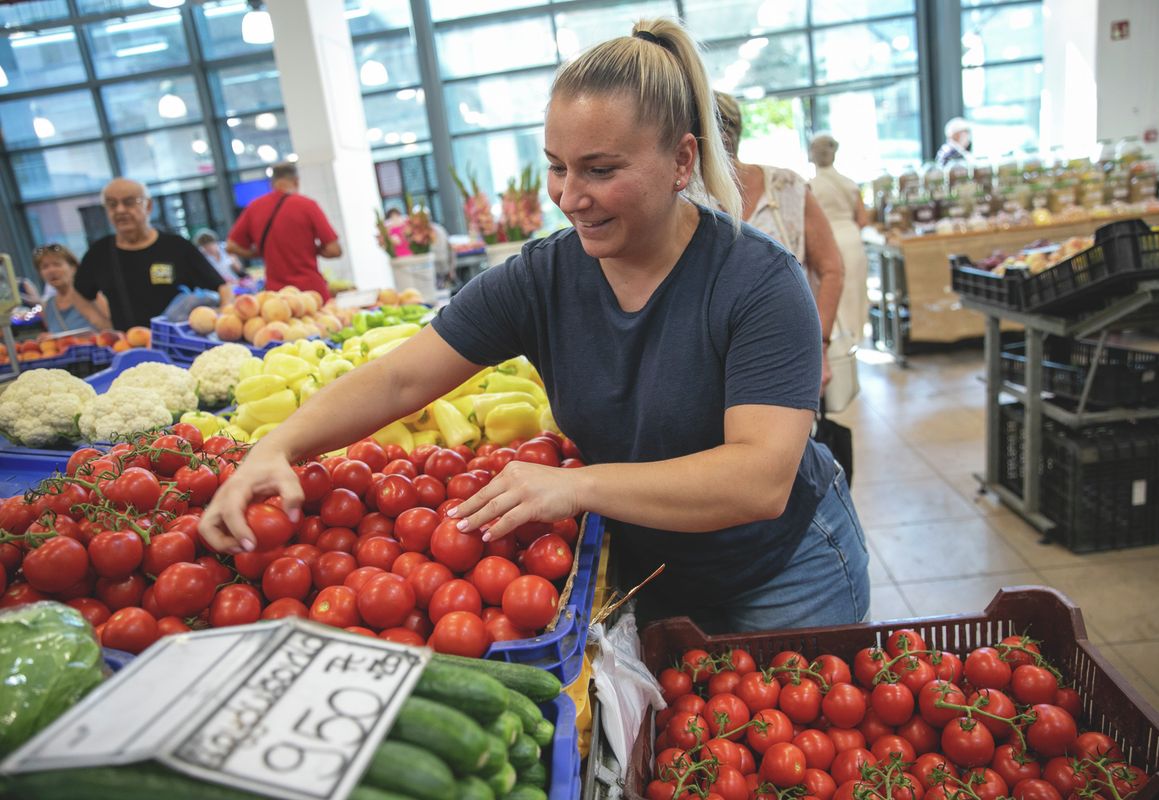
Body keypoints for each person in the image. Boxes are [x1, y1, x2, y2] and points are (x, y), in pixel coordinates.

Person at [198, 18, 869, 633]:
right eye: (557, 166)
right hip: (652, 568)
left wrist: (576, 486)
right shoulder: (544, 278)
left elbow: (758, 479)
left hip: (786, 573)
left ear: (682, 162)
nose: (570, 197)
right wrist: (277, 448)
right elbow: (401, 377)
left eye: (601, 171)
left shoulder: (757, 280)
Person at [713, 91, 845, 387]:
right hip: (714, 363)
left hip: (788, 350)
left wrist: (819, 346)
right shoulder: (684, 198)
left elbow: (831, 268)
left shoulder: (787, 186)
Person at [76, 178, 230, 330]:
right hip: (129, 348)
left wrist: (223, 320)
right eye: (112, 204)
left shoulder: (176, 246)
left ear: (148, 205)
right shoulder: (100, 253)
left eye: (129, 202)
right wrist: (103, 325)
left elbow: (222, 287)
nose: (120, 210)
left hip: (175, 346)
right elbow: (79, 292)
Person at [226, 162, 342, 301]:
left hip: (277, 297)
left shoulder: (254, 207)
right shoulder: (307, 205)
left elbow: (231, 246)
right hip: (311, 293)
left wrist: (258, 253)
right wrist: (312, 249)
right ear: (296, 181)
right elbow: (334, 250)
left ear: (272, 183)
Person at [808, 132, 871, 342]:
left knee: (831, 294)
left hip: (826, 241)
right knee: (855, 294)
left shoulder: (810, 188)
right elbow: (862, 219)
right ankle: (855, 339)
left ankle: (835, 342)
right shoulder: (850, 184)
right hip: (852, 240)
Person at [33, 243, 111, 333]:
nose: (51, 270)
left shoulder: (92, 296)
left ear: (73, 268)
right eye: (44, 267)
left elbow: (113, 328)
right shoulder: (47, 306)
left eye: (57, 264)